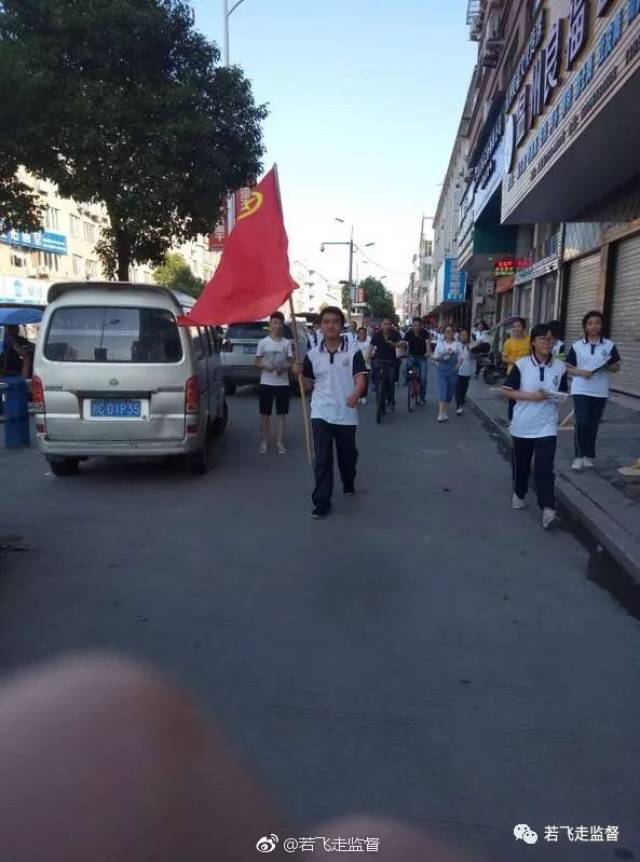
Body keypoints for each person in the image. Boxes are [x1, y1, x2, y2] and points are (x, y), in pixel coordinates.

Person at [301, 306, 368, 519]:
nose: (330, 325)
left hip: (346, 413)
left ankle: (348, 479)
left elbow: (361, 378)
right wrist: (298, 375)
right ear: (320, 326)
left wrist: (356, 394)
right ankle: (321, 502)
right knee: (322, 458)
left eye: (335, 321)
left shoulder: (352, 351)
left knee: (347, 456)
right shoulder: (312, 355)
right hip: (321, 411)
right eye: (326, 321)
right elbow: (307, 386)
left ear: (341, 325)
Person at [502, 324, 568, 530]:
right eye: (543, 339)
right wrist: (532, 396)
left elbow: (563, 393)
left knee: (544, 467)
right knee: (521, 465)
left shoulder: (560, 367)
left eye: (551, 340)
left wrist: (558, 398)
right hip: (522, 424)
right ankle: (519, 492)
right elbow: (507, 390)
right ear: (533, 342)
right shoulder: (521, 365)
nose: (547, 343)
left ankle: (548, 508)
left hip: (547, 425)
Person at [565, 310, 621, 472]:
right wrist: (582, 372)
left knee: (592, 424)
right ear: (585, 326)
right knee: (581, 422)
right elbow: (568, 367)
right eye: (590, 323)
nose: (594, 326)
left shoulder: (609, 345)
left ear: (601, 325)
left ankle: (588, 455)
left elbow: (616, 367)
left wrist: (611, 368)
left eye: (597, 323)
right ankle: (578, 456)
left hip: (600, 391)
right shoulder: (577, 346)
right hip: (581, 389)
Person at [254, 312, 294, 455]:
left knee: (281, 414)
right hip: (266, 382)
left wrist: (283, 367)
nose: (277, 326)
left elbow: (291, 361)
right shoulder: (263, 343)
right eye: (274, 323)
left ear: (282, 325)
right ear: (270, 325)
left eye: (279, 323)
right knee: (265, 414)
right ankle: (264, 442)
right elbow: (256, 361)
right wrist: (265, 366)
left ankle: (280, 443)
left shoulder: (286, 343)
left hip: (283, 383)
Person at [432, 324, 464, 422]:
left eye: (451, 331)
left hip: (453, 371)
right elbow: (434, 357)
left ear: (454, 333)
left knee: (449, 392)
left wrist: (457, 366)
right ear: (444, 333)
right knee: (443, 391)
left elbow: (461, 357)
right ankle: (440, 413)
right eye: (447, 331)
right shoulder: (440, 344)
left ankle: (445, 411)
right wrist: (439, 361)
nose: (449, 333)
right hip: (442, 370)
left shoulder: (457, 345)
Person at [369, 318, 403, 411]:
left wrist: (394, 344)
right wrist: (367, 357)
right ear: (381, 325)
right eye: (384, 324)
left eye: (388, 324)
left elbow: (401, 344)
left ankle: (391, 401)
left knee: (391, 381)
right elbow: (371, 346)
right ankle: (378, 392)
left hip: (391, 361)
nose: (386, 326)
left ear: (391, 325)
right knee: (375, 376)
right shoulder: (377, 334)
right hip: (379, 359)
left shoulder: (395, 333)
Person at [501, 318, 530, 421]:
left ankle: (523, 420)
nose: (516, 329)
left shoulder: (529, 341)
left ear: (523, 328)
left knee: (524, 398)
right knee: (512, 399)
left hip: (527, 373)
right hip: (512, 373)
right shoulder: (508, 342)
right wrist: (515, 361)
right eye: (514, 327)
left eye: (518, 326)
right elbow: (504, 358)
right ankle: (512, 421)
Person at [403, 317, 430, 404]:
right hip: (411, 356)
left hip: (422, 357)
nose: (417, 327)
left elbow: (428, 344)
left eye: (418, 325)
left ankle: (422, 396)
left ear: (421, 326)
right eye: (415, 325)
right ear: (412, 326)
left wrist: (428, 353)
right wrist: (404, 352)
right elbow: (405, 343)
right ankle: (407, 380)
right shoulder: (409, 333)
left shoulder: (425, 333)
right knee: (405, 367)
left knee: (423, 378)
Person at [455, 329, 474, 415]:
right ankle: (459, 406)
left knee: (464, 389)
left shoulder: (470, 346)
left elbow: (473, 357)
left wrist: (470, 349)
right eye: (462, 335)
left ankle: (462, 402)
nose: (464, 337)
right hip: (457, 371)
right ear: (459, 336)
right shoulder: (456, 346)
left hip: (466, 371)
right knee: (458, 389)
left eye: (465, 335)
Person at [355, 326, 372, 405]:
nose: (362, 335)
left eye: (363, 333)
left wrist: (370, 356)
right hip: (356, 365)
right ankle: (358, 396)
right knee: (356, 382)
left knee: (365, 381)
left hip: (366, 365)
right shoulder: (354, 343)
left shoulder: (369, 343)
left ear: (366, 334)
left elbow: (373, 351)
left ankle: (363, 396)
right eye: (360, 333)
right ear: (357, 334)